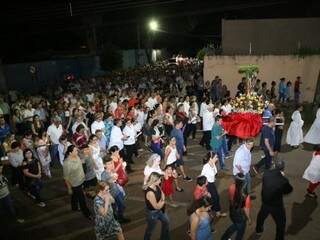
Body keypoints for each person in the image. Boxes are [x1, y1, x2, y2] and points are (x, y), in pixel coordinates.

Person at [255, 160, 293, 240]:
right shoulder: (283, 180)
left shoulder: (266, 173)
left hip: (265, 202)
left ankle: (258, 230)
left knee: (261, 216)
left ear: (274, 166)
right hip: (276, 205)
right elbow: (288, 190)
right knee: (281, 223)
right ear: (283, 168)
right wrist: (282, 177)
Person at [63, 145, 92, 219]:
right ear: (70, 153)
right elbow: (66, 177)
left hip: (81, 179)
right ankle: (87, 213)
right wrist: (69, 188)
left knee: (75, 195)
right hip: (75, 183)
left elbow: (82, 162)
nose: (77, 151)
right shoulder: (67, 163)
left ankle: (74, 207)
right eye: (75, 151)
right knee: (82, 199)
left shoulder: (77, 156)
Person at [221, 173, 251, 240]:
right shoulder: (245, 195)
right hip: (240, 216)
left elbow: (230, 198)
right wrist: (249, 218)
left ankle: (224, 238)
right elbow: (246, 209)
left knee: (235, 225)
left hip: (232, 210)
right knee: (240, 232)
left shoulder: (231, 187)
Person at [101, 157, 130, 224]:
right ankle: (119, 218)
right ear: (104, 165)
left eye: (112, 163)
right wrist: (111, 180)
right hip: (112, 193)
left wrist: (123, 167)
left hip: (117, 190)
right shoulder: (104, 174)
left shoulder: (112, 171)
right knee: (121, 206)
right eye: (109, 164)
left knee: (119, 205)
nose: (111, 165)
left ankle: (117, 216)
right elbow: (104, 186)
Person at [143, 172, 170, 240]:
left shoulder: (156, 185)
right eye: (159, 180)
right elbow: (156, 206)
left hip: (160, 210)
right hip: (153, 213)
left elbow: (162, 193)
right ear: (154, 181)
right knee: (150, 229)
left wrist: (162, 200)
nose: (160, 181)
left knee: (166, 222)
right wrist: (163, 201)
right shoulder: (150, 193)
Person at [201, 152, 226, 217]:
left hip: (211, 183)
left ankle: (215, 211)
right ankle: (212, 212)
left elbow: (214, 173)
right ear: (210, 159)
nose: (217, 158)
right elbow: (201, 178)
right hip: (207, 185)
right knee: (211, 199)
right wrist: (205, 191)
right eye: (216, 157)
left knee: (215, 198)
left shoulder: (213, 163)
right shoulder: (206, 167)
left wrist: (213, 177)